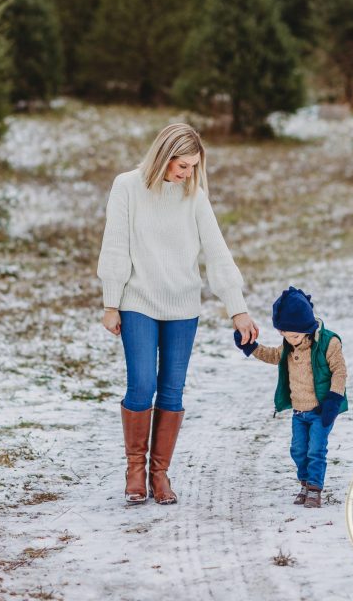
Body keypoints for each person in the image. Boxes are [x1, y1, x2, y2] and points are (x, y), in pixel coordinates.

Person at [98, 122, 259, 505]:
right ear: (163, 157)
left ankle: (159, 474)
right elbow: (115, 244)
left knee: (172, 389)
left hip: (183, 306)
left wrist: (237, 309)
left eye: (193, 167)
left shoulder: (194, 196)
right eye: (182, 165)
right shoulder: (127, 187)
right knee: (142, 385)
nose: (187, 173)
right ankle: (135, 470)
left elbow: (217, 252)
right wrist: (110, 302)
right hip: (138, 301)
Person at [234, 286, 348, 508]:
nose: (291, 340)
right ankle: (304, 483)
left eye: (294, 336)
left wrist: (334, 399)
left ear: (307, 328)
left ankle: (314, 489)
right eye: (285, 335)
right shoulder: (289, 344)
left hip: (321, 411)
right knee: (298, 450)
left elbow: (340, 371)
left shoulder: (329, 343)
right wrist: (251, 347)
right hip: (299, 412)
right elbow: (273, 355)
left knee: (316, 450)